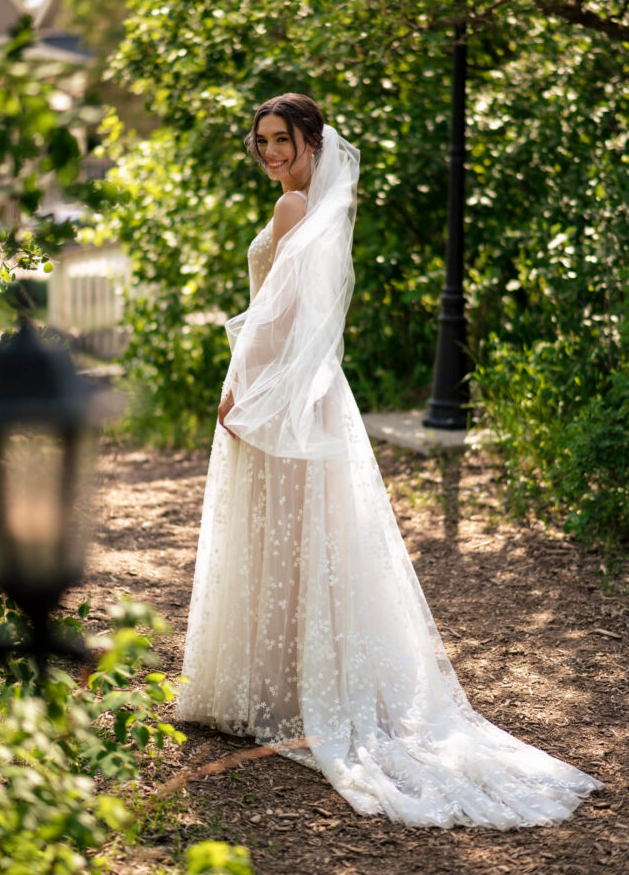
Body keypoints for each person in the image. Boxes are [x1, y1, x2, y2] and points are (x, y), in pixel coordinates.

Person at [176, 93, 602, 827]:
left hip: (279, 385)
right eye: (261, 142)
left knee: (281, 534)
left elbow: (278, 316)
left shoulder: (293, 211)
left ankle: (277, 693)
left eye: (281, 139)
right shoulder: (329, 205)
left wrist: (241, 391)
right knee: (303, 536)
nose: (270, 152)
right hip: (313, 387)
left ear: (311, 140)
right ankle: (291, 687)